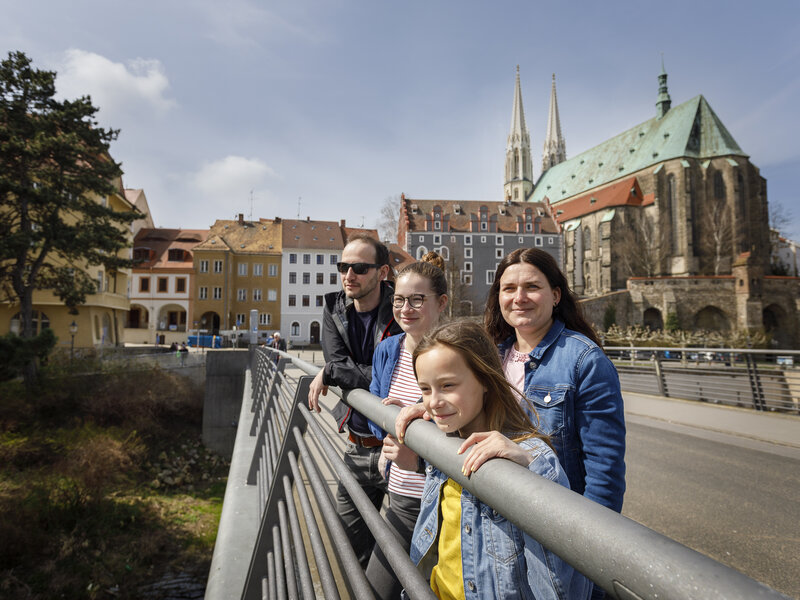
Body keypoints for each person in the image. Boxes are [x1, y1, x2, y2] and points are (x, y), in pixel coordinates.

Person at [406, 320, 591, 599]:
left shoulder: (528, 457)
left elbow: (564, 583)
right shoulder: (441, 443)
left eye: (447, 385)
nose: (433, 401)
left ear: (485, 380)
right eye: (425, 389)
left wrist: (531, 469)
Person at [484, 248, 626, 515]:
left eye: (532, 287)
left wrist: (590, 540)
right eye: (509, 288)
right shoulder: (490, 357)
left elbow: (604, 471)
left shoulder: (585, 360)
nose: (519, 298)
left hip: (554, 518)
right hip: (498, 516)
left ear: (556, 295)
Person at [307, 234, 403, 567]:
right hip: (356, 446)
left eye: (360, 268)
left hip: (400, 450)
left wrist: (334, 370)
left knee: (406, 559)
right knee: (349, 551)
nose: (349, 275)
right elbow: (338, 361)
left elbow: (385, 380)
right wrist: (334, 367)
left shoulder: (401, 310)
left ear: (383, 272)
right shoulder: (334, 307)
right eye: (344, 266)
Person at [364, 253, 448, 599]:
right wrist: (391, 420)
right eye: (399, 300)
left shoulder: (453, 355)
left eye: (417, 300)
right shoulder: (388, 349)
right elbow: (373, 413)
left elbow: (466, 429)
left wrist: (418, 429)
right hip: (397, 493)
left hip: (438, 501)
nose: (405, 308)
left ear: (441, 303)